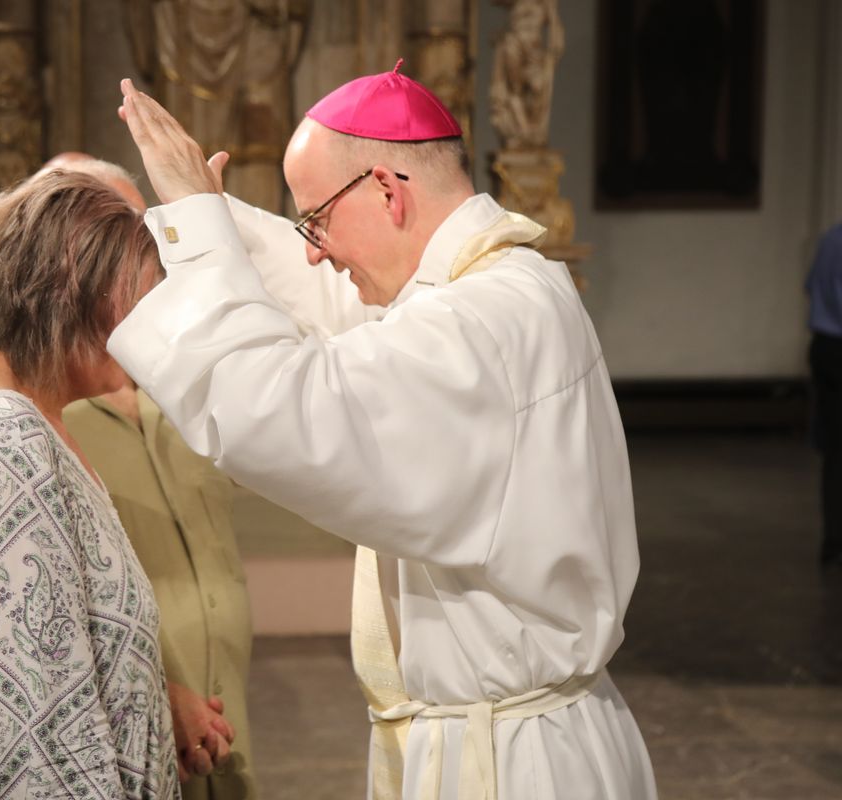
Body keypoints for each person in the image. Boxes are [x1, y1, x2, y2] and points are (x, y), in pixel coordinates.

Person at [111, 68, 657, 799]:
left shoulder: (482, 320)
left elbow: (286, 409)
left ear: (389, 191)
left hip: (512, 764)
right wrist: (204, 217)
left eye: (315, 221)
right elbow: (341, 313)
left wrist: (196, 222)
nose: (313, 249)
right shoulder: (489, 285)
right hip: (501, 735)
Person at [0, 169, 178, 798]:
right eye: (140, 299)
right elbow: (36, 731)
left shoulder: (24, 421)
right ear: (66, 291)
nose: (152, 329)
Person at [52, 156, 256, 798]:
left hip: (231, 722)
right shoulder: (29, 411)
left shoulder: (184, 378)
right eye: (117, 240)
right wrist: (157, 688)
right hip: (123, 732)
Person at [807, 219, 842, 569]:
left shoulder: (831, 238)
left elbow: (810, 286)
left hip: (826, 347)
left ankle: (833, 538)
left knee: (834, 450)